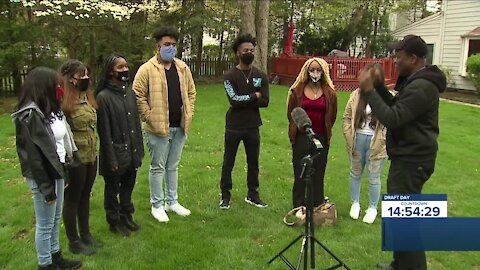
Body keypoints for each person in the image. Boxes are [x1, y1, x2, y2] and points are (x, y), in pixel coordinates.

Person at [357, 35, 446, 270]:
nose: (394, 61)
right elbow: (398, 107)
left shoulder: (423, 86)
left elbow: (393, 118)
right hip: (407, 158)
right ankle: (400, 265)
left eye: (399, 57)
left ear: (413, 58)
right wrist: (377, 87)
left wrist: (369, 91)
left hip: (412, 160)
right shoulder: (416, 81)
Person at [12, 67, 82, 270]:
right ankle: (45, 264)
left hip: (56, 170)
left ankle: (56, 256)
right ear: (43, 87)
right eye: (55, 85)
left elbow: (56, 147)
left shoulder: (48, 110)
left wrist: (64, 172)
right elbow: (33, 158)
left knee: (54, 220)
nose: (59, 88)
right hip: (43, 176)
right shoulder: (30, 115)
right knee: (44, 224)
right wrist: (46, 187)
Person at [133, 26, 196, 222]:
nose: (170, 48)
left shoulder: (182, 68)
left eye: (174, 45)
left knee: (173, 166)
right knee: (158, 166)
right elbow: (138, 94)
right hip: (157, 128)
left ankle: (172, 201)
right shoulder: (147, 69)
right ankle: (157, 205)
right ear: (157, 46)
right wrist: (149, 116)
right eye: (166, 44)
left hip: (180, 126)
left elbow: (192, 93)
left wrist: (189, 112)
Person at [218, 34, 270, 210]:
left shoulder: (261, 75)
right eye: (245, 50)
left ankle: (253, 195)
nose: (249, 53)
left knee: (253, 162)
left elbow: (265, 101)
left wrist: (247, 99)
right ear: (238, 53)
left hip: (253, 126)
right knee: (228, 162)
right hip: (233, 126)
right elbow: (233, 100)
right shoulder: (229, 76)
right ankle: (225, 196)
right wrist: (253, 96)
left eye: (252, 50)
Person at [96, 54, 144, 237]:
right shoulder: (103, 97)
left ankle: (126, 216)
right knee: (112, 190)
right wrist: (111, 159)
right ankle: (114, 221)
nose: (125, 70)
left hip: (131, 151)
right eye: (120, 68)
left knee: (128, 187)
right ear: (110, 72)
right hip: (115, 153)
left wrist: (138, 150)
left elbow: (136, 124)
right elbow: (104, 132)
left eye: (126, 66)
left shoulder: (129, 92)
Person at [59, 60, 101, 255]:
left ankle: (86, 234)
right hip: (75, 159)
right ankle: (73, 241)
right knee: (73, 199)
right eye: (81, 75)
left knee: (85, 196)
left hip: (91, 155)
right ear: (70, 79)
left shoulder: (88, 97)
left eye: (87, 74)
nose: (85, 78)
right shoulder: (63, 103)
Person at [287, 57, 337, 209]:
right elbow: (291, 113)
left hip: (321, 137)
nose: (315, 73)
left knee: (318, 171)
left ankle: (317, 204)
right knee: (300, 171)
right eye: (312, 70)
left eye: (318, 70)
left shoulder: (330, 93)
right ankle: (298, 205)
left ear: (323, 72)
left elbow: (332, 115)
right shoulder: (297, 91)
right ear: (307, 72)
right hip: (302, 137)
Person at [342, 63, 388, 224]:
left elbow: (393, 120)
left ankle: (372, 207)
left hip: (377, 143)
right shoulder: (356, 95)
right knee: (355, 173)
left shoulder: (387, 96)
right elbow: (347, 116)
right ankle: (355, 203)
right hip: (358, 139)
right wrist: (349, 136)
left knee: (374, 177)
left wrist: (384, 140)